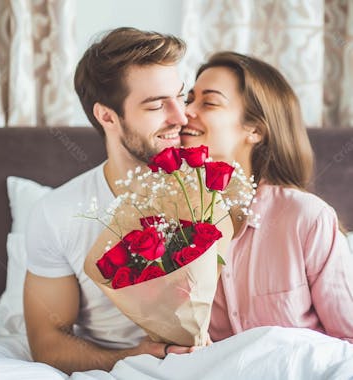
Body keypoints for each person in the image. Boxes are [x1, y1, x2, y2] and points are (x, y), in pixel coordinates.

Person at [23, 27, 190, 374]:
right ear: (107, 116)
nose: (181, 117)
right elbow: (47, 341)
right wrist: (130, 358)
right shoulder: (57, 213)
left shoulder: (214, 187)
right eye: (157, 105)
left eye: (181, 96)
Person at [181, 51, 353, 343]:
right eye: (189, 99)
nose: (185, 112)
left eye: (209, 102)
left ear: (255, 130)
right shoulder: (174, 221)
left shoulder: (306, 218)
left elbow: (348, 340)